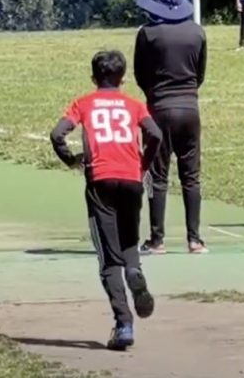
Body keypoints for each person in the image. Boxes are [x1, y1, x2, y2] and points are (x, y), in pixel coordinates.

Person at [49, 50, 162, 351]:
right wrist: (143, 164)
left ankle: (124, 323)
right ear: (123, 78)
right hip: (131, 178)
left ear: (93, 78)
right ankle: (135, 270)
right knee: (129, 241)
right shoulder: (135, 105)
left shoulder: (84, 103)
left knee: (108, 259)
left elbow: (57, 133)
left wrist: (71, 160)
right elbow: (155, 134)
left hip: (100, 181)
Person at [133, 0, 208, 255]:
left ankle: (157, 239)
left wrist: (155, 95)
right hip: (190, 108)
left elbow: (140, 73)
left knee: (157, 175)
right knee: (191, 176)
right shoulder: (197, 32)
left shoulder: (147, 34)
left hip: (159, 109)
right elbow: (200, 74)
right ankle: (195, 239)